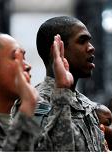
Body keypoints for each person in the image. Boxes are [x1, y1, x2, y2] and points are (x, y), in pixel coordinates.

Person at [33, 16, 106, 151]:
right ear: (56, 50)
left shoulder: (86, 104)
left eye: (89, 41)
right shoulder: (36, 103)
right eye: (82, 41)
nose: (91, 48)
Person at [0, 30, 39, 151]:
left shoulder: (17, 119)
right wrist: (28, 107)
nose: (28, 66)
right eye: (16, 58)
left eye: (24, 58)